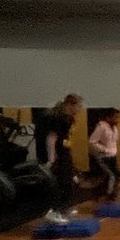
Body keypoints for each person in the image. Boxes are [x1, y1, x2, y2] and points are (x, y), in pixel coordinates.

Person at [34, 94, 83, 225]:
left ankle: (63, 209)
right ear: (70, 104)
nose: (80, 109)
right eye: (79, 106)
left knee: (71, 180)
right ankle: (53, 211)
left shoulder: (69, 119)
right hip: (57, 155)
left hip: (64, 152)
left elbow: (65, 139)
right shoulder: (58, 118)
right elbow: (51, 138)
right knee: (60, 182)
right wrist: (51, 157)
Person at [88, 108, 120, 201]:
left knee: (114, 177)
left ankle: (110, 196)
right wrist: (104, 149)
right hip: (103, 157)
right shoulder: (101, 126)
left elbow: (114, 141)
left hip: (112, 156)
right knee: (110, 176)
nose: (117, 119)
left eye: (118, 117)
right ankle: (105, 195)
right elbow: (92, 142)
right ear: (108, 117)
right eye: (115, 117)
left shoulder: (115, 127)